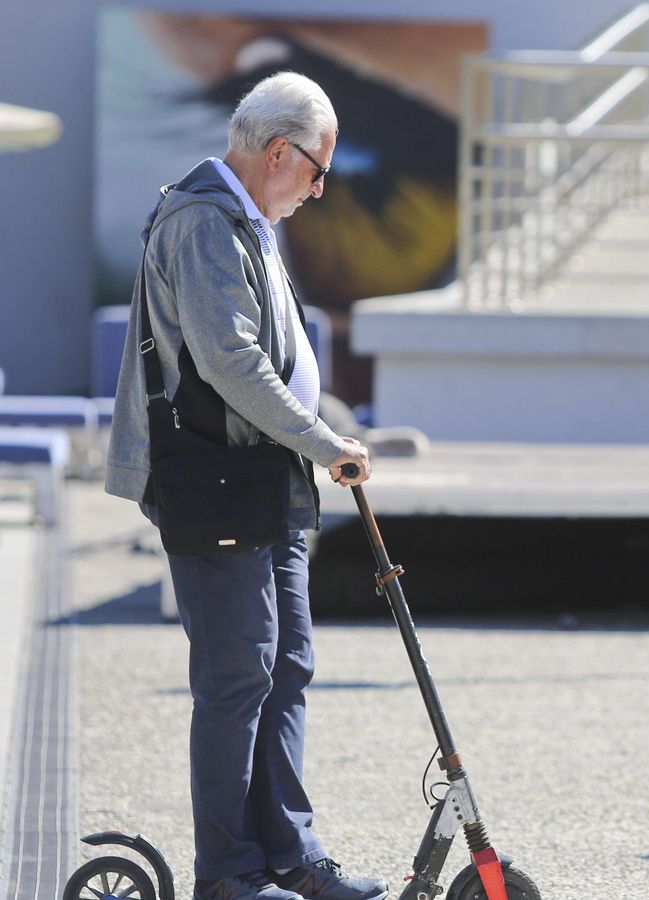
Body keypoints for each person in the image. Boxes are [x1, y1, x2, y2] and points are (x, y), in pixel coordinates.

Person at [105, 73, 385, 900]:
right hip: (215, 480)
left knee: (287, 665)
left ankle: (289, 856)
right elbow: (232, 361)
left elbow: (283, 358)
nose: (320, 187)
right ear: (276, 152)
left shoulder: (249, 220)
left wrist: (320, 434)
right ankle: (227, 875)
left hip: (266, 475)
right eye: (316, 169)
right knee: (237, 676)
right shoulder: (204, 223)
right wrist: (325, 439)